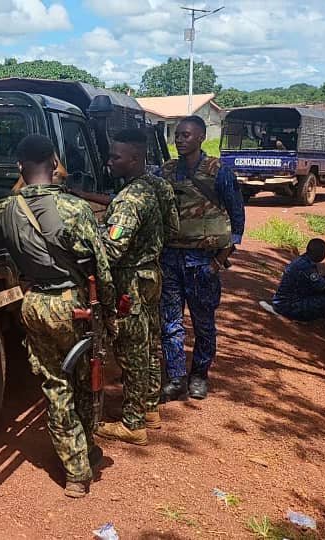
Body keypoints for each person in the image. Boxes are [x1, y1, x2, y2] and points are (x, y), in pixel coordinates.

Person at [0, 134, 116, 498]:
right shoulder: (74, 209)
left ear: (19, 167)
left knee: (54, 384)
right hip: (73, 304)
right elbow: (103, 267)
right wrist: (107, 314)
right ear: (55, 161)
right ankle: (80, 462)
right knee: (83, 380)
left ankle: (76, 464)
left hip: (35, 304)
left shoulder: (5, 210)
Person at [95, 129, 178, 445]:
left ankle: (132, 424)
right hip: (151, 276)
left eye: (116, 156)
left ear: (134, 158)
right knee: (151, 344)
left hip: (129, 282)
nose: (109, 161)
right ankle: (149, 409)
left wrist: (85, 242)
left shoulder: (129, 199)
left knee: (131, 351)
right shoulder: (157, 186)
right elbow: (173, 228)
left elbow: (111, 250)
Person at [159, 115, 245, 401]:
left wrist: (219, 261)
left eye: (186, 135)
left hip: (203, 264)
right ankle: (175, 377)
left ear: (200, 138)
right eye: (177, 136)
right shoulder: (166, 171)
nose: (180, 140)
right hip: (170, 260)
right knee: (170, 323)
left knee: (203, 324)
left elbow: (237, 220)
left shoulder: (219, 172)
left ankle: (199, 376)